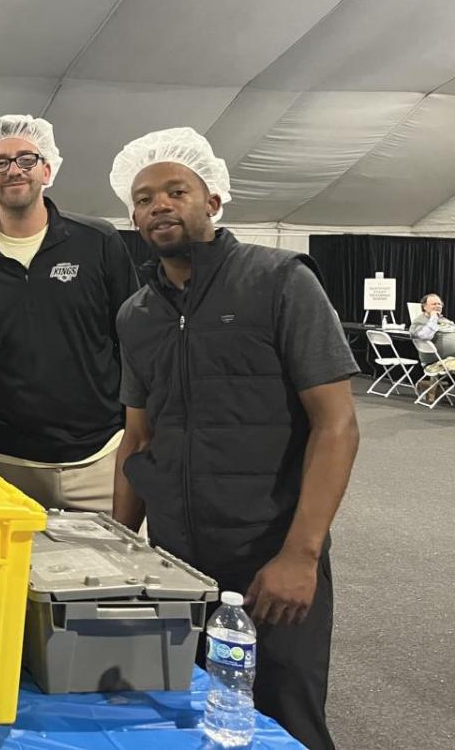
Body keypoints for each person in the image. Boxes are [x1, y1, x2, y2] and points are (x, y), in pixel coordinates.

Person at [109, 127, 359, 750]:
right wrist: (121, 548)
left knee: (287, 722)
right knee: (184, 718)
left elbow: (337, 424)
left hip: (269, 558)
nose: (157, 206)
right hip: (178, 563)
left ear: (213, 200)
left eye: (175, 190)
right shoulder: (137, 313)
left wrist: (301, 554)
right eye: (143, 198)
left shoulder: (279, 281)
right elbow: (136, 437)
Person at [0, 115, 137, 513]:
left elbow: (132, 335)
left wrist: (136, 428)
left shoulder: (98, 242)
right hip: (6, 460)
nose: (14, 170)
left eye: (26, 159)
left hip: (99, 457)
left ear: (47, 168)